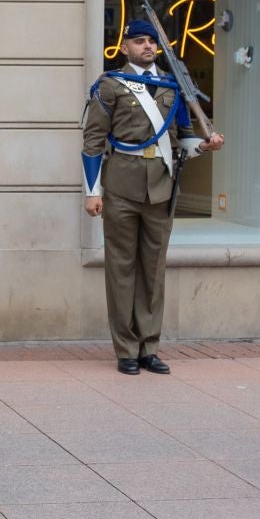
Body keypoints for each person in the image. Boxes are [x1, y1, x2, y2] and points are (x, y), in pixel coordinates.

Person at [81, 21, 222, 375]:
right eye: (138, 41)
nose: (147, 46)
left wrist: (205, 145)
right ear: (124, 47)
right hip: (122, 185)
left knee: (153, 270)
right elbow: (93, 141)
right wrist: (92, 192)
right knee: (121, 268)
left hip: (161, 186)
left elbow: (184, 139)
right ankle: (126, 348)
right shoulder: (111, 85)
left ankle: (149, 347)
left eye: (151, 41)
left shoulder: (172, 86)